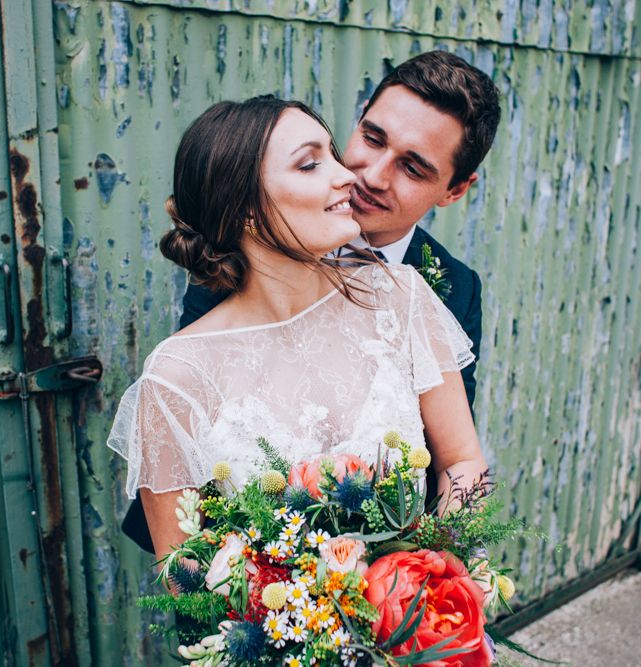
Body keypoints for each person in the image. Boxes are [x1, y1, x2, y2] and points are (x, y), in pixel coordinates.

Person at [121, 50, 501, 553]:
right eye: (371, 138)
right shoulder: (219, 291)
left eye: (412, 167)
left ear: (454, 190)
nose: (364, 176)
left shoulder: (431, 292)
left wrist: (431, 575)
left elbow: (452, 458)